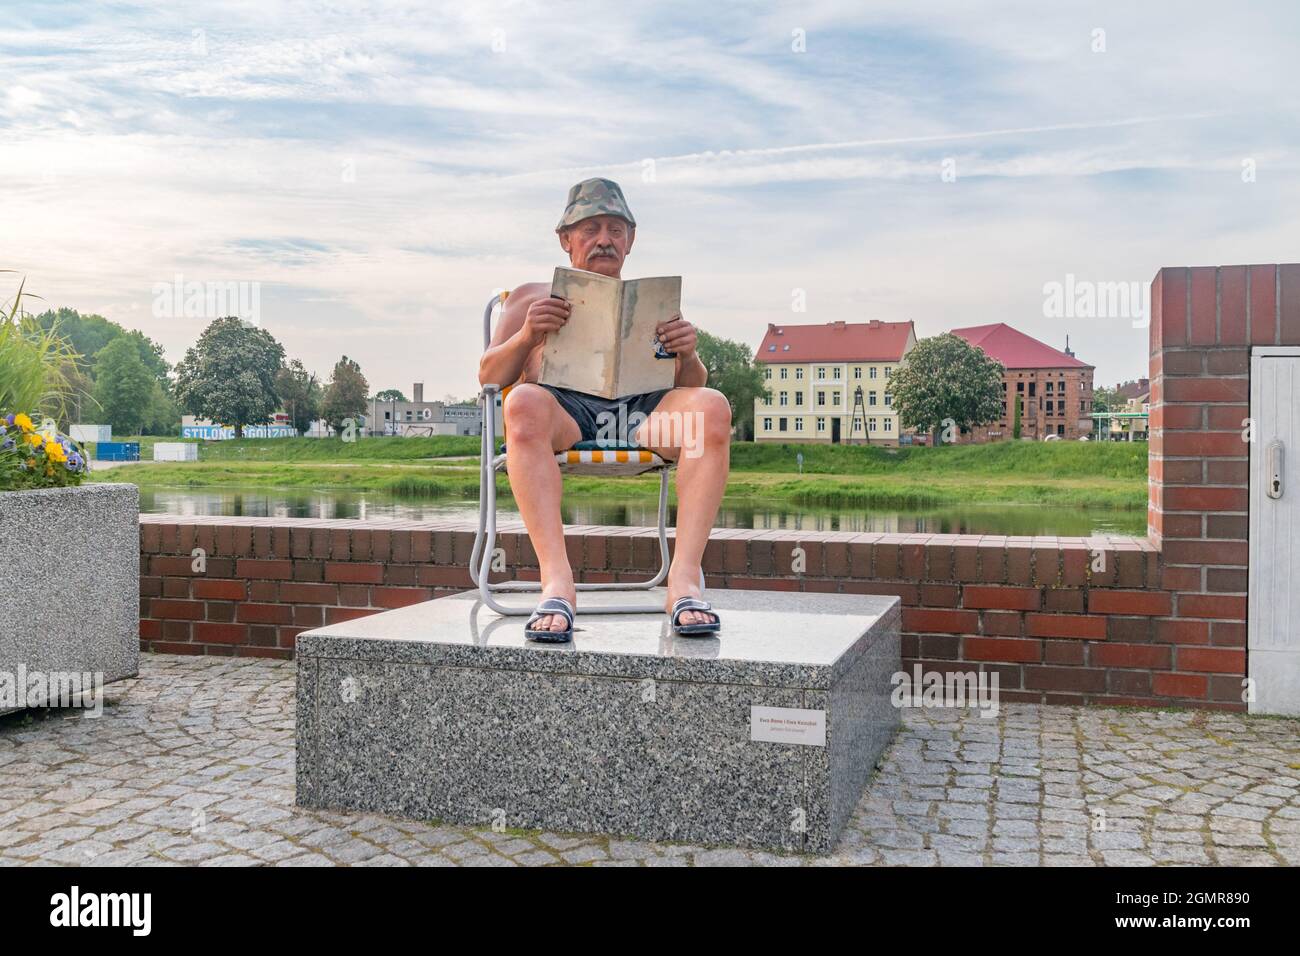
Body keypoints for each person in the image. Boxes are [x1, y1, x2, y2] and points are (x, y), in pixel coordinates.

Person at [477, 178, 731, 641]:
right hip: (566, 415)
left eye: (616, 230)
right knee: (523, 401)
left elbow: (690, 388)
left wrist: (689, 355)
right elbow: (489, 377)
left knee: (712, 406)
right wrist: (528, 336)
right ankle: (556, 583)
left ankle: (684, 581)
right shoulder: (532, 297)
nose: (604, 240)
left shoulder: (650, 302)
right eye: (591, 228)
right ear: (565, 239)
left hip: (640, 415)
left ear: (630, 241)